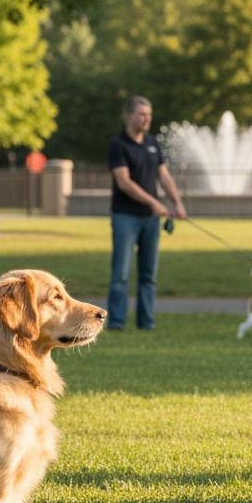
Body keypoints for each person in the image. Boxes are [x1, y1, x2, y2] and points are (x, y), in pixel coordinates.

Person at [106, 95, 186, 331]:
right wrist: (154, 202)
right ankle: (117, 323)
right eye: (142, 114)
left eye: (149, 115)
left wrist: (177, 202)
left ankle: (146, 323)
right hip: (125, 218)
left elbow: (164, 175)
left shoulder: (152, 143)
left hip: (150, 220)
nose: (147, 118)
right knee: (121, 275)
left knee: (149, 276)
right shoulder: (118, 145)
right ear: (129, 116)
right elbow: (123, 182)